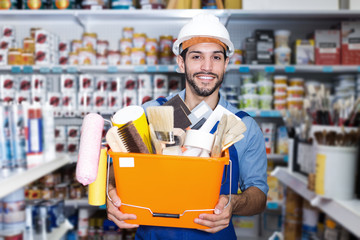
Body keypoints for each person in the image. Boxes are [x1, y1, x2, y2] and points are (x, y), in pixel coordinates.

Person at [106, 13, 268, 240]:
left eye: (216, 58)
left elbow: (259, 196)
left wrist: (234, 202)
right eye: (196, 57)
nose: (207, 67)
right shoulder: (150, 114)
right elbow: (118, 169)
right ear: (181, 63)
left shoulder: (244, 126)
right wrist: (111, 194)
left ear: (226, 64)